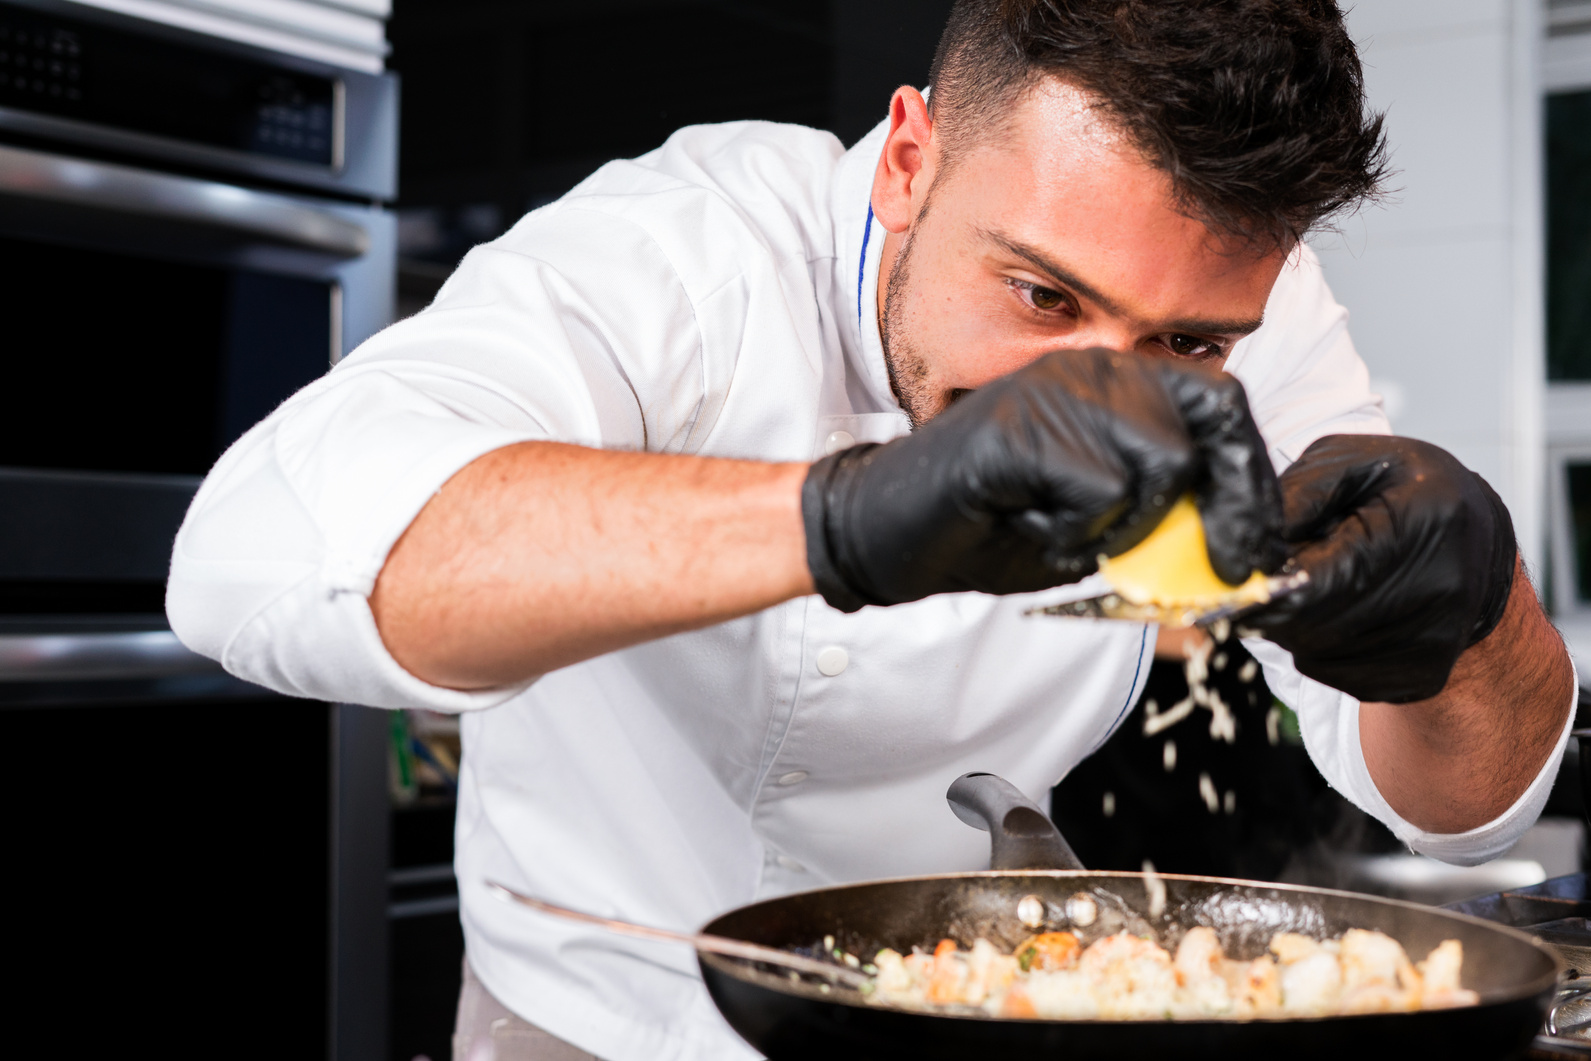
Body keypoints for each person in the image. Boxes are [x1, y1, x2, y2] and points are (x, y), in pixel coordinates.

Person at [167, 2, 1576, 1059]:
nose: (1108, 385)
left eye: (1193, 339)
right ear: (908, 156)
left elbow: (1454, 809)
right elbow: (251, 554)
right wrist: (840, 520)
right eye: (1039, 296)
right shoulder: (691, 248)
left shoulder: (1258, 323)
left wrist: (1472, 628)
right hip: (599, 1015)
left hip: (988, 1004)